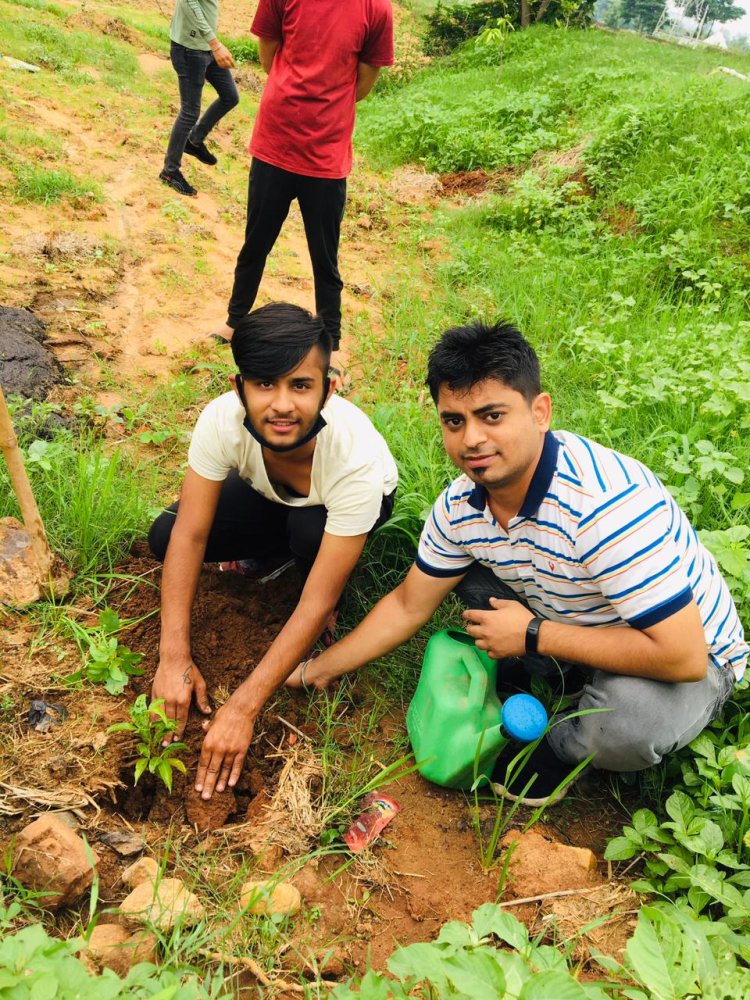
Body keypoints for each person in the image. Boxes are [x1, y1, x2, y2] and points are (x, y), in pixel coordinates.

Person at [286, 320, 748, 806]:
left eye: (492, 415)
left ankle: (557, 748)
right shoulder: (460, 506)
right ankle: (563, 673)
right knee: (469, 579)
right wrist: (318, 669)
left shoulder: (604, 507)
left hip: (689, 654)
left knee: (628, 722)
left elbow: (684, 656)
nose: (472, 440)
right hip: (581, 615)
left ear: (540, 412)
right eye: (454, 421)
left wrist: (532, 635)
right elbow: (407, 604)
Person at [148, 302, 398, 800]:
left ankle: (297, 556)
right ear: (239, 388)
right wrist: (172, 655)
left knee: (309, 538)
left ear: (328, 389)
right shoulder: (222, 420)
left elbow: (314, 603)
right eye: (265, 384)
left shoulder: (356, 462)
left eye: (300, 385)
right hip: (270, 493)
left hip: (329, 513)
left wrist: (241, 708)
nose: (282, 405)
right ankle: (275, 550)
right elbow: (190, 535)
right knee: (164, 534)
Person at [212, 0, 394, 368]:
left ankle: (333, 343)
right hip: (275, 142)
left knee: (325, 258)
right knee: (255, 242)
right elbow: (268, 54)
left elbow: (363, 83)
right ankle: (234, 321)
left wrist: (326, 102)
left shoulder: (376, 8)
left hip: (326, 155)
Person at [159, 0, 239, 197]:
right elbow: (189, 2)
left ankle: (194, 141)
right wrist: (215, 43)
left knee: (230, 96)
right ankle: (170, 172)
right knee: (190, 111)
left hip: (206, 47)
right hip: (190, 49)